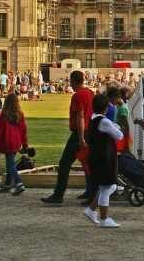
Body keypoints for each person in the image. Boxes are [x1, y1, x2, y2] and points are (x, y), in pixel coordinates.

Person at [42, 70, 95, 205]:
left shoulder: (78, 96)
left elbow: (80, 117)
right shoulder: (90, 93)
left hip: (81, 131)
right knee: (89, 163)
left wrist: (80, 137)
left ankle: (58, 194)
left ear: (72, 81)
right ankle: (92, 192)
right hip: (91, 131)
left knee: (65, 163)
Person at [83, 93, 124, 228]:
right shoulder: (104, 121)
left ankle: (91, 209)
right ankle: (104, 219)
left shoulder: (93, 118)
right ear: (106, 107)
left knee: (109, 186)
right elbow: (119, 136)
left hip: (96, 157)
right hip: (103, 159)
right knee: (107, 188)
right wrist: (117, 127)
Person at [0, 93, 28, 195]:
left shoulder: (4, 115)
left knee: (10, 163)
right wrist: (24, 143)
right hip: (16, 142)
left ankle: (19, 183)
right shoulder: (19, 114)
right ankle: (8, 184)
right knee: (10, 162)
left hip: (7, 141)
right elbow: (23, 130)